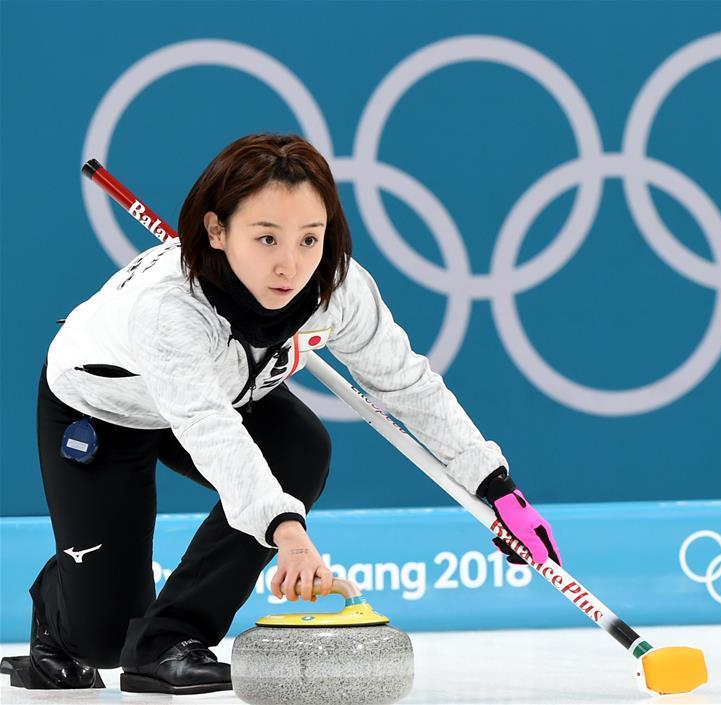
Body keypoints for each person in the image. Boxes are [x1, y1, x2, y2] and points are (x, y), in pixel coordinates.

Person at [4, 134, 561, 694]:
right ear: (216, 231)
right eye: (266, 238)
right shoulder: (169, 308)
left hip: (225, 392)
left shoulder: (336, 288)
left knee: (300, 449)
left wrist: (496, 489)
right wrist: (287, 533)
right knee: (98, 639)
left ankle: (168, 641)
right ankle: (59, 607)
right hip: (105, 408)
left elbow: (409, 386)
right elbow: (208, 428)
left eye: (309, 238)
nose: (289, 265)